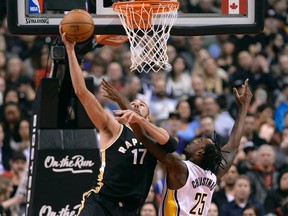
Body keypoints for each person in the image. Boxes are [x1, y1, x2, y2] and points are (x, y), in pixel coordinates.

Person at [60, 32, 177, 216]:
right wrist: (70, 49)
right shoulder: (114, 128)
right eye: (133, 104)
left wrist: (138, 121)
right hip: (102, 203)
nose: (137, 104)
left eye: (142, 105)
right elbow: (81, 92)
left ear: (148, 117)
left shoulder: (154, 136)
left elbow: (171, 145)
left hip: (130, 209)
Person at [114, 79, 252, 215]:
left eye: (199, 142)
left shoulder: (180, 168)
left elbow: (144, 138)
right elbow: (233, 145)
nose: (194, 141)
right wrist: (244, 107)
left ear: (200, 153)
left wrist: (124, 104)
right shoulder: (213, 175)